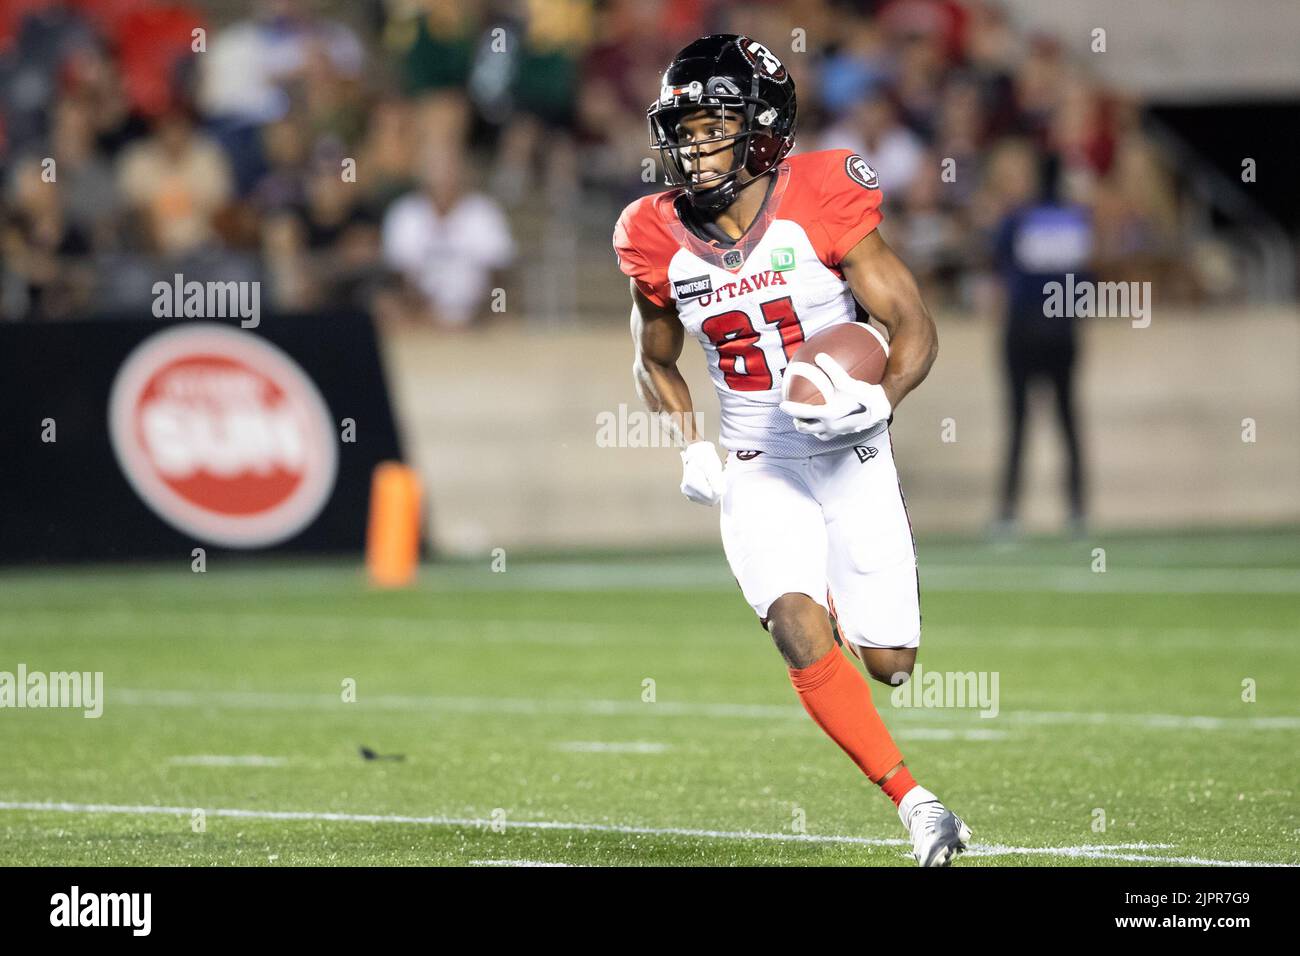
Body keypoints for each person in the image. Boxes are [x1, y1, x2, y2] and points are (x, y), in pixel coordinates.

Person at [615, 34, 970, 866]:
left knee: (891, 664)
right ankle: (916, 803)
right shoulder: (652, 233)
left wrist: (881, 400)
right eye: (684, 128)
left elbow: (913, 323)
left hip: (851, 454)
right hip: (755, 464)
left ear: (763, 128)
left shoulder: (820, 195)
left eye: (713, 127)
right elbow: (652, 360)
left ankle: (850, 608)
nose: (694, 148)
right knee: (793, 623)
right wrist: (689, 443)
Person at [992, 148, 1089, 533]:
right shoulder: (1077, 219)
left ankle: (1009, 513)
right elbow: (1086, 277)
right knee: (1067, 418)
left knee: (1018, 421)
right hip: (1063, 330)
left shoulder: (1020, 218)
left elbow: (997, 257)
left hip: (1023, 329)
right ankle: (1077, 510)